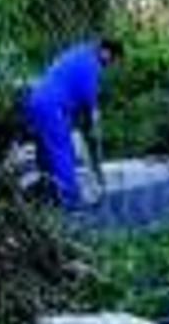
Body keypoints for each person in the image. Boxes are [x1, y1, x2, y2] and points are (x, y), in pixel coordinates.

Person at [21, 38, 124, 209]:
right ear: (105, 52)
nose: (110, 65)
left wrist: (87, 121)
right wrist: (94, 121)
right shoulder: (91, 65)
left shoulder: (80, 53)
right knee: (63, 151)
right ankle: (70, 200)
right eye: (112, 60)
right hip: (51, 106)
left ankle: (46, 195)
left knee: (46, 153)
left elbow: (76, 97)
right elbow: (89, 100)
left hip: (36, 100)